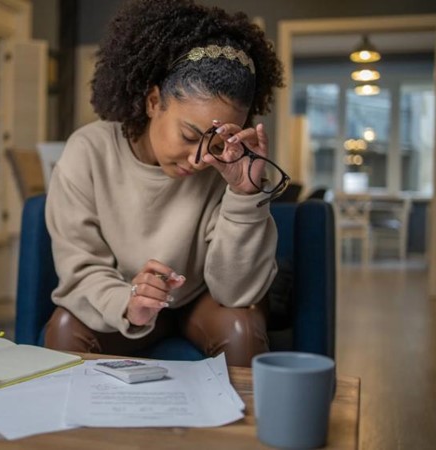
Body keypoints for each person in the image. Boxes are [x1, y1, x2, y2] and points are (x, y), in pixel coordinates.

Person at [43, 0, 287, 367]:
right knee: (65, 327)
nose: (200, 158)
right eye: (189, 134)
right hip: (125, 293)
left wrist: (244, 194)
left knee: (241, 327)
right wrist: (130, 303)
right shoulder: (88, 152)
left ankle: (240, 427)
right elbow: (81, 269)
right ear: (153, 101)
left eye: (217, 143)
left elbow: (236, 292)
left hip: (202, 302)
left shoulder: (227, 169)